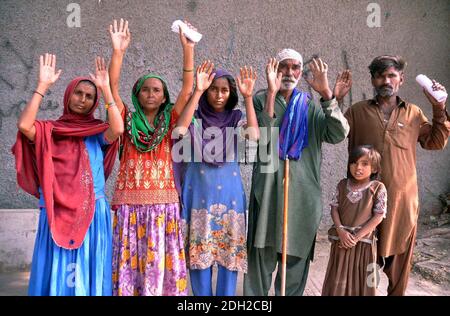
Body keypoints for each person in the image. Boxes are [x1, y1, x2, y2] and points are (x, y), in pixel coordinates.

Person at [12, 53, 123, 295]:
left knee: (89, 265)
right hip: (57, 209)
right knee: (59, 265)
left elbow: (118, 128)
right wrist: (42, 86)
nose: (82, 100)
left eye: (89, 96)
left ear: (95, 102)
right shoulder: (50, 130)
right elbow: (24, 126)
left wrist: (106, 90)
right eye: (78, 93)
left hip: (92, 209)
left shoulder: (96, 132)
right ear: (68, 94)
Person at [244, 48, 350, 296]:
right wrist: (271, 93)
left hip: (301, 195)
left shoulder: (311, 107)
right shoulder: (260, 100)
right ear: (275, 69)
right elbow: (259, 140)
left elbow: (338, 134)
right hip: (268, 192)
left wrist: (326, 93)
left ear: (301, 73)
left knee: (295, 258)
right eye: (284, 66)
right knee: (261, 254)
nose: (289, 72)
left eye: (295, 68)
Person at [342, 55, 449, 296]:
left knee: (399, 264)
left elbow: (436, 142)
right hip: (363, 204)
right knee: (362, 264)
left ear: (401, 79)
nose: (386, 80)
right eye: (380, 75)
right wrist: (334, 98)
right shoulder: (357, 112)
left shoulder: (413, 114)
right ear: (372, 80)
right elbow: (334, 131)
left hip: (402, 202)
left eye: (391, 75)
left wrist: (439, 108)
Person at [107, 18, 196, 296]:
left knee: (160, 263)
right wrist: (118, 53)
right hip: (129, 205)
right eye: (145, 89)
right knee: (130, 262)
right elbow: (110, 87)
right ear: (137, 93)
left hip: (163, 205)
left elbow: (187, 88)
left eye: (156, 90)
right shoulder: (126, 117)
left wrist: (188, 48)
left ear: (163, 96)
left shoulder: (170, 119)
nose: (150, 94)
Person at [175, 61, 259, 296]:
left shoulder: (235, 118)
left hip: (229, 197)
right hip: (199, 195)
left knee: (228, 255)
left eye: (224, 90)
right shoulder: (194, 117)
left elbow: (254, 136)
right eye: (214, 89)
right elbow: (179, 131)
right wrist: (197, 91)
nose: (219, 95)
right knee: (199, 255)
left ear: (231, 93)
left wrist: (249, 97)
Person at [322, 145, 386, 296]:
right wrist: (340, 231)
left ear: (375, 168)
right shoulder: (342, 185)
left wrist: (356, 238)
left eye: (365, 164)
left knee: (365, 280)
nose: (358, 167)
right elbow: (334, 208)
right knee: (338, 278)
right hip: (341, 241)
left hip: (365, 244)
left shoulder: (378, 188)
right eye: (354, 163)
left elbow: (378, 216)